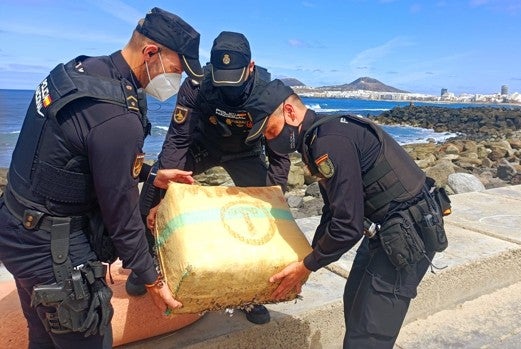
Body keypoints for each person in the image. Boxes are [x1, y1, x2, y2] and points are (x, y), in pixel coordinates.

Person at [0, 7, 203, 348]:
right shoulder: (117, 116)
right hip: (55, 252)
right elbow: (121, 214)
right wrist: (151, 279)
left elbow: (74, 160)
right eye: (177, 69)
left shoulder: (76, 72)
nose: (177, 80)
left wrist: (152, 174)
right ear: (151, 53)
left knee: (43, 338)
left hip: (15, 227)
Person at [245, 79, 451, 348]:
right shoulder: (318, 136)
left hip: (408, 236)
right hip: (385, 230)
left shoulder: (329, 142)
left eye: (270, 131)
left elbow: (347, 226)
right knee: (354, 305)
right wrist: (307, 257)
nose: (270, 140)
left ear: (290, 112)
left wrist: (307, 266)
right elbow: (334, 210)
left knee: (369, 333)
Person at [128, 31, 290, 325]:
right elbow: (177, 141)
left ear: (250, 68)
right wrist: (164, 197)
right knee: (155, 186)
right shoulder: (197, 84)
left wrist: (276, 198)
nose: (227, 86)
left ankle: (251, 292)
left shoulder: (268, 91)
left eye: (235, 78)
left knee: (264, 216)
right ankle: (147, 264)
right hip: (203, 145)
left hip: (245, 152)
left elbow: (279, 152)